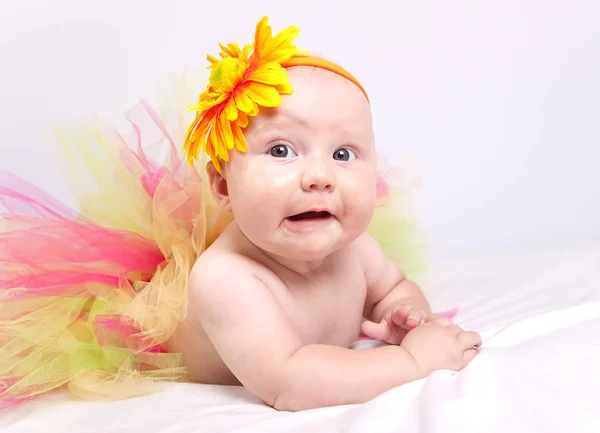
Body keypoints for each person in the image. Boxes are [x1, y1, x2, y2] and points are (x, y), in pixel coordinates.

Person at [0, 16, 480, 411]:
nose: (320, 176)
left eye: (343, 154)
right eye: (281, 149)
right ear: (223, 184)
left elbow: (394, 287)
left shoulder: (359, 250)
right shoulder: (228, 279)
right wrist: (415, 364)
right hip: (153, 341)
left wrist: (406, 314)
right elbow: (290, 382)